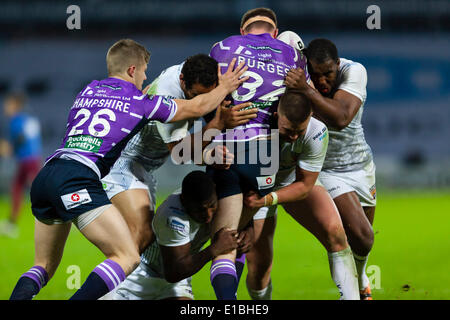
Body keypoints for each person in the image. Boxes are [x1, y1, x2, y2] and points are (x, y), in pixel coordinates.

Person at [9, 38, 248, 300]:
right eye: (144, 71)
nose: (146, 80)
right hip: (80, 177)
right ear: (132, 70)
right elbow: (195, 113)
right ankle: (118, 294)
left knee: (42, 266)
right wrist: (224, 89)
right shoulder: (141, 101)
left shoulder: (89, 90)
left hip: (48, 171)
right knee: (128, 253)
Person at [101, 53, 258, 256]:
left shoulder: (199, 73)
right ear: (183, 80)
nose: (200, 101)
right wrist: (217, 124)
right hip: (126, 161)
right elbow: (180, 154)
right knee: (141, 236)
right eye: (195, 95)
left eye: (207, 95)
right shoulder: (168, 96)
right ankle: (118, 284)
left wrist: (211, 156)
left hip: (146, 164)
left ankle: (142, 281)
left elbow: (192, 150)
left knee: (145, 241)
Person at [206, 7, 311, 300]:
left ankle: (225, 300)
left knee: (222, 240)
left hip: (226, 149)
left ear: (243, 31)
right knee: (243, 234)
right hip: (266, 157)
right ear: (275, 33)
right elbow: (302, 102)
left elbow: (207, 95)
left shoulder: (223, 47)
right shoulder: (292, 56)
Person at [244, 88, 360, 300]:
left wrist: (269, 200)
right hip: (254, 187)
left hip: (290, 181)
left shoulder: (316, 131)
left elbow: (305, 185)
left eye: (300, 131)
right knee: (259, 267)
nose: (294, 136)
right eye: (288, 130)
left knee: (335, 231)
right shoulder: (252, 126)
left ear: (311, 117)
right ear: (277, 116)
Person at [286, 38, 377, 300]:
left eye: (328, 73)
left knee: (361, 243)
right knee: (360, 235)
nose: (323, 80)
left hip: (361, 166)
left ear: (338, 64)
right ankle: (350, 294)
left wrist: (307, 89)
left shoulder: (354, 71)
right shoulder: (299, 80)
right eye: (316, 75)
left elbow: (341, 117)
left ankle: (360, 285)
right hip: (324, 170)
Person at [102, 171, 252, 300]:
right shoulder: (172, 215)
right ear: (184, 202)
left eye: (212, 206)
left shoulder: (217, 197)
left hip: (176, 281)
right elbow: (173, 272)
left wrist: (248, 230)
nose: (208, 216)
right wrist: (214, 249)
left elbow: (242, 209)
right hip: (140, 275)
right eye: (200, 211)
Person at [0, 93, 42, 238]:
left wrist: (9, 147)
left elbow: (20, 139)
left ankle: (65, 217)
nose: (6, 107)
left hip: (27, 160)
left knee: (39, 191)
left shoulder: (16, 120)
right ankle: (11, 223)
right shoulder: (29, 118)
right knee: (18, 188)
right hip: (32, 159)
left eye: (8, 104)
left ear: (16, 105)